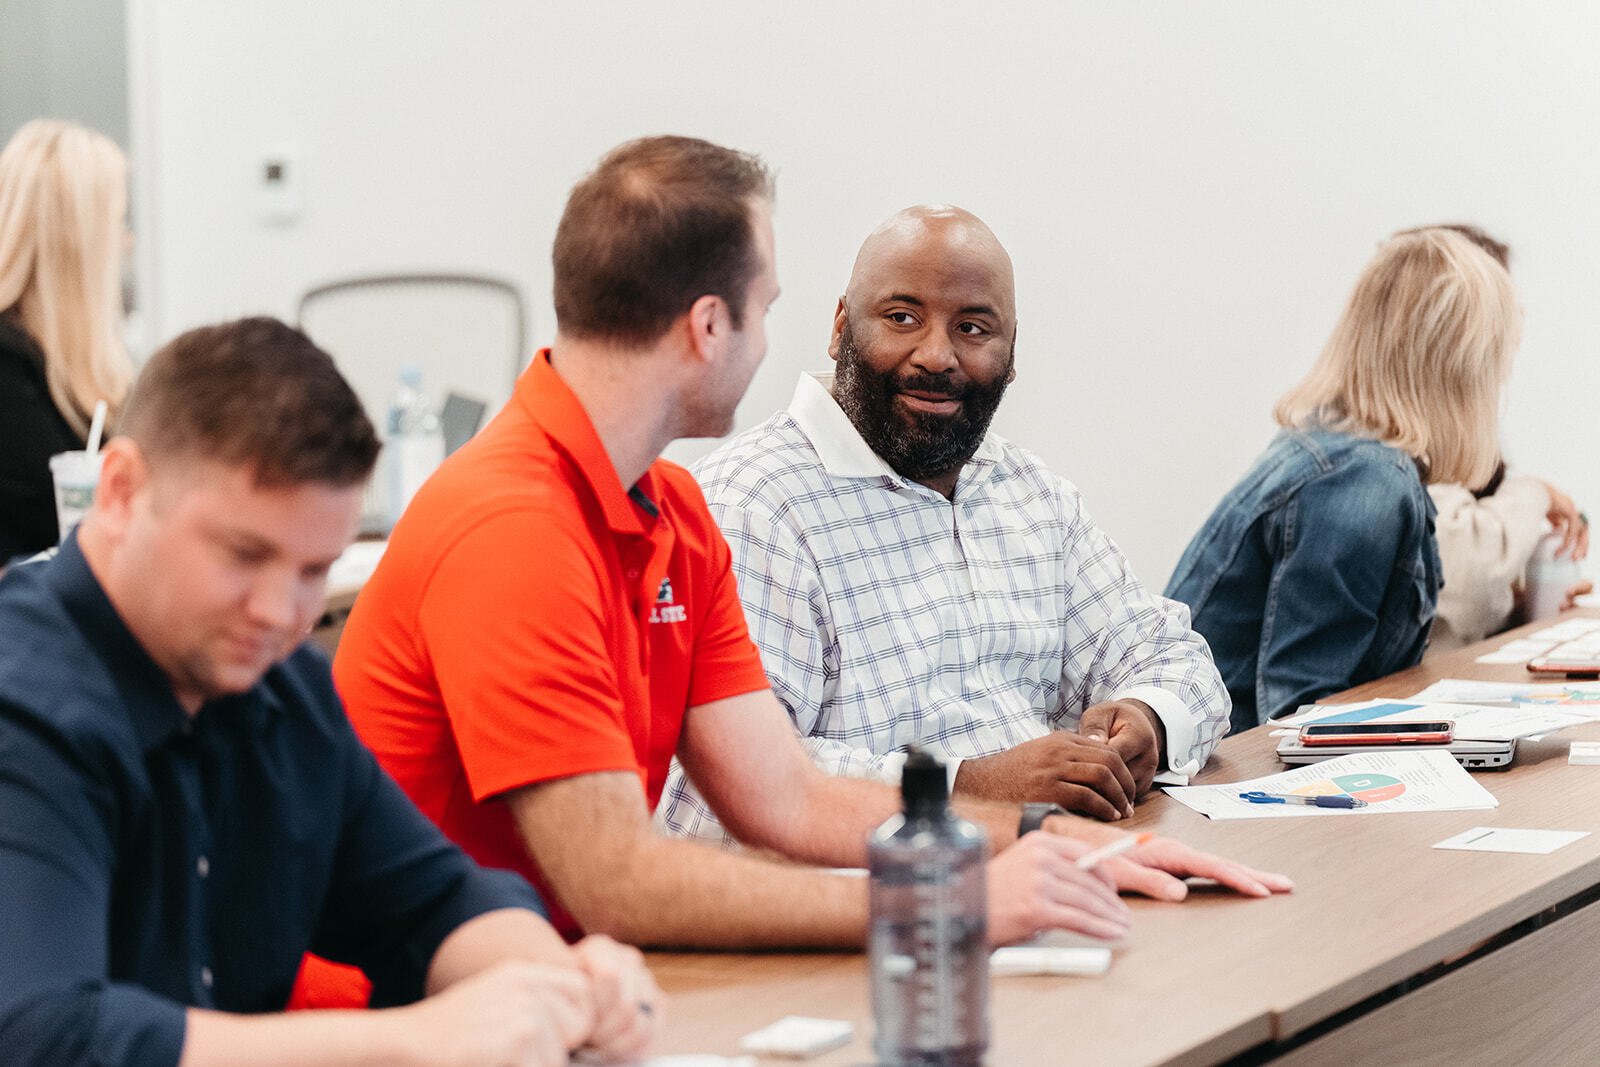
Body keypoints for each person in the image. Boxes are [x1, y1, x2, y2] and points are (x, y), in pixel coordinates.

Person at [332, 135, 1291, 968]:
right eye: (764, 306)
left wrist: (1048, 842)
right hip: (430, 1003)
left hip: (575, 983)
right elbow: (618, 879)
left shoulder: (670, 508)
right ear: (711, 327)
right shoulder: (513, 525)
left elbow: (786, 797)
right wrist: (951, 897)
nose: (767, 342)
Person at [0, 317, 657, 1066]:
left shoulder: (283, 693)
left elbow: (437, 900)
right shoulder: (24, 707)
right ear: (119, 492)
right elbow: (42, 1035)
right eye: (244, 555)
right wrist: (413, 1040)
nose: (281, 614)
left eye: (315, 570)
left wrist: (561, 982)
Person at [654, 205, 1226, 849]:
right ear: (841, 327)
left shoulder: (1026, 492)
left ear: (1012, 355)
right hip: (871, 912)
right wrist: (967, 786)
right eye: (902, 318)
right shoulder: (752, 507)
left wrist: (1148, 719)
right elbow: (712, 794)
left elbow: (1176, 658)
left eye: (973, 328)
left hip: (1055, 866)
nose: (936, 356)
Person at [1165, 228, 1521, 729]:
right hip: (1221, 784)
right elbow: (1299, 716)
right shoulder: (1363, 483)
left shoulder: (1343, 452)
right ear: (1461, 367)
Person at [1400, 225, 1591, 654]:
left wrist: (1525, 610)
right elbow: (1462, 579)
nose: (1517, 324)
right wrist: (1535, 494)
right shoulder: (1404, 442)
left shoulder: (1452, 432)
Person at [0, 119, 136, 561]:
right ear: (81, 243)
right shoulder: (8, 368)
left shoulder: (79, 370)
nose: (126, 242)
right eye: (117, 223)